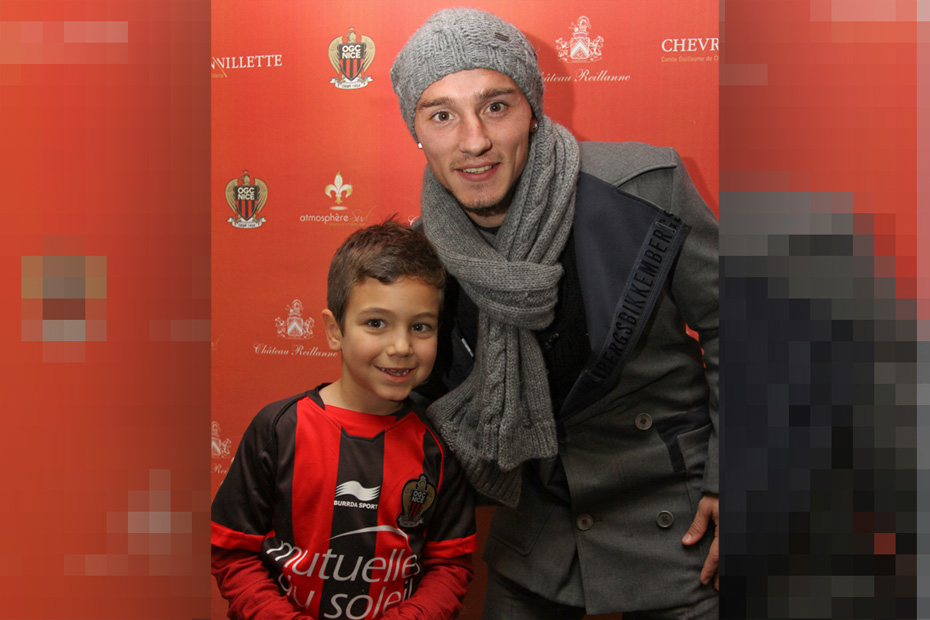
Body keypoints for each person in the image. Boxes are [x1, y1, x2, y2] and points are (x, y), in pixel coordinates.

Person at [390, 8, 719, 619]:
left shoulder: (645, 189)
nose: (473, 141)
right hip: (537, 540)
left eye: (496, 106)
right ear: (417, 132)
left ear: (533, 110)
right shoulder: (420, 255)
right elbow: (409, 400)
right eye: (441, 115)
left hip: (681, 523)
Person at [211, 220, 477, 620]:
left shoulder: (439, 445)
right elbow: (233, 552)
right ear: (335, 330)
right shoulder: (278, 429)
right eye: (376, 323)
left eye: (420, 326)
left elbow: (450, 565)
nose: (401, 346)